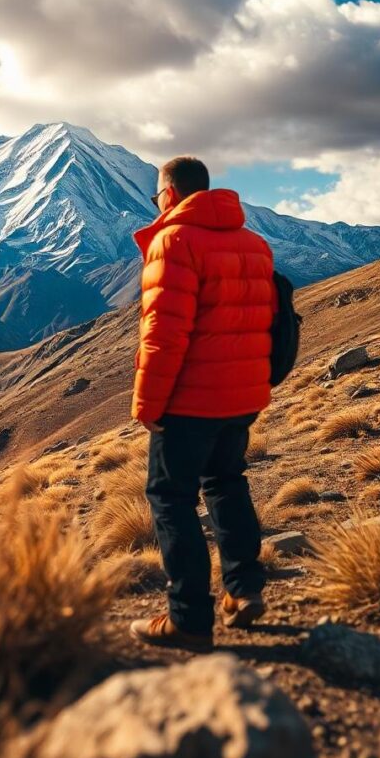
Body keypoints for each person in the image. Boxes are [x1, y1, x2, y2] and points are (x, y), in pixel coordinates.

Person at [129, 156, 277, 653]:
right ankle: (243, 589)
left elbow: (163, 337)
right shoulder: (255, 244)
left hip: (190, 402)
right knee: (227, 483)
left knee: (171, 499)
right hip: (242, 395)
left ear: (169, 194)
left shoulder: (173, 242)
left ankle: (188, 619)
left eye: (156, 197)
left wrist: (148, 406)